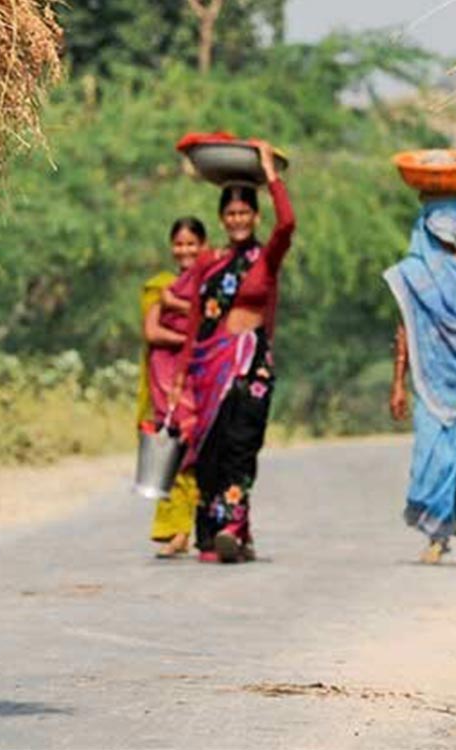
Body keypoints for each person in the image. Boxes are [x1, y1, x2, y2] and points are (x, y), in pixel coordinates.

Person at [173, 143, 294, 564]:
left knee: (241, 449)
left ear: (255, 217)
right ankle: (215, 536)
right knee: (210, 454)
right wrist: (180, 378)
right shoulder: (212, 262)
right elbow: (193, 324)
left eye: (245, 213)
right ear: (222, 219)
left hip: (251, 369)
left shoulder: (266, 258)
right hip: (209, 371)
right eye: (231, 214)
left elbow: (288, 224)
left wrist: (269, 174)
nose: (238, 220)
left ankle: (232, 525)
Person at [384, 196, 456, 565]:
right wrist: (399, 382)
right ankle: (436, 537)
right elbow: (407, 330)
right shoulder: (414, 272)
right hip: (431, 377)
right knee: (431, 456)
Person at [140, 218, 208, 558]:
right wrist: (190, 340)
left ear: (203, 246)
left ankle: (189, 528)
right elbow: (152, 332)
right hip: (166, 377)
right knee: (172, 450)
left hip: (197, 375)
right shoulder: (158, 286)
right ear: (171, 247)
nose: (185, 250)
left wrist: (180, 306)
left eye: (192, 244)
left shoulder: (208, 284)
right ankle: (175, 530)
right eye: (179, 244)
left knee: (194, 451)